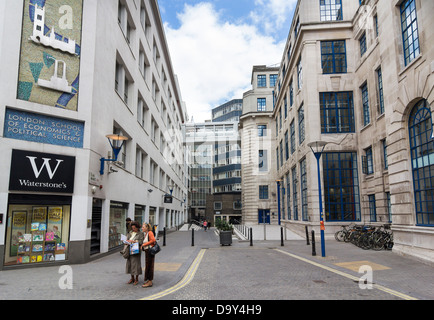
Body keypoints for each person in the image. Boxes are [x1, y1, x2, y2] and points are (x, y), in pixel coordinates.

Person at [125, 221, 144, 285]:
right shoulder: (130, 233)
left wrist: (133, 241)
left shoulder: (140, 233)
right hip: (129, 250)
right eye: (132, 228)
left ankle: (136, 279)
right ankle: (132, 278)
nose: (133, 229)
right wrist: (126, 241)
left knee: (136, 265)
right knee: (130, 264)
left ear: (138, 228)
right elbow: (127, 239)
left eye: (134, 228)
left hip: (136, 250)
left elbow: (141, 242)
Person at [141, 223, 156, 288]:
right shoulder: (146, 234)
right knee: (148, 266)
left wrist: (144, 245)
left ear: (147, 228)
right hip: (147, 251)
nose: (142, 228)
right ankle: (148, 280)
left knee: (150, 266)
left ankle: (150, 282)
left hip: (150, 251)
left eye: (143, 227)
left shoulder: (150, 232)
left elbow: (153, 240)